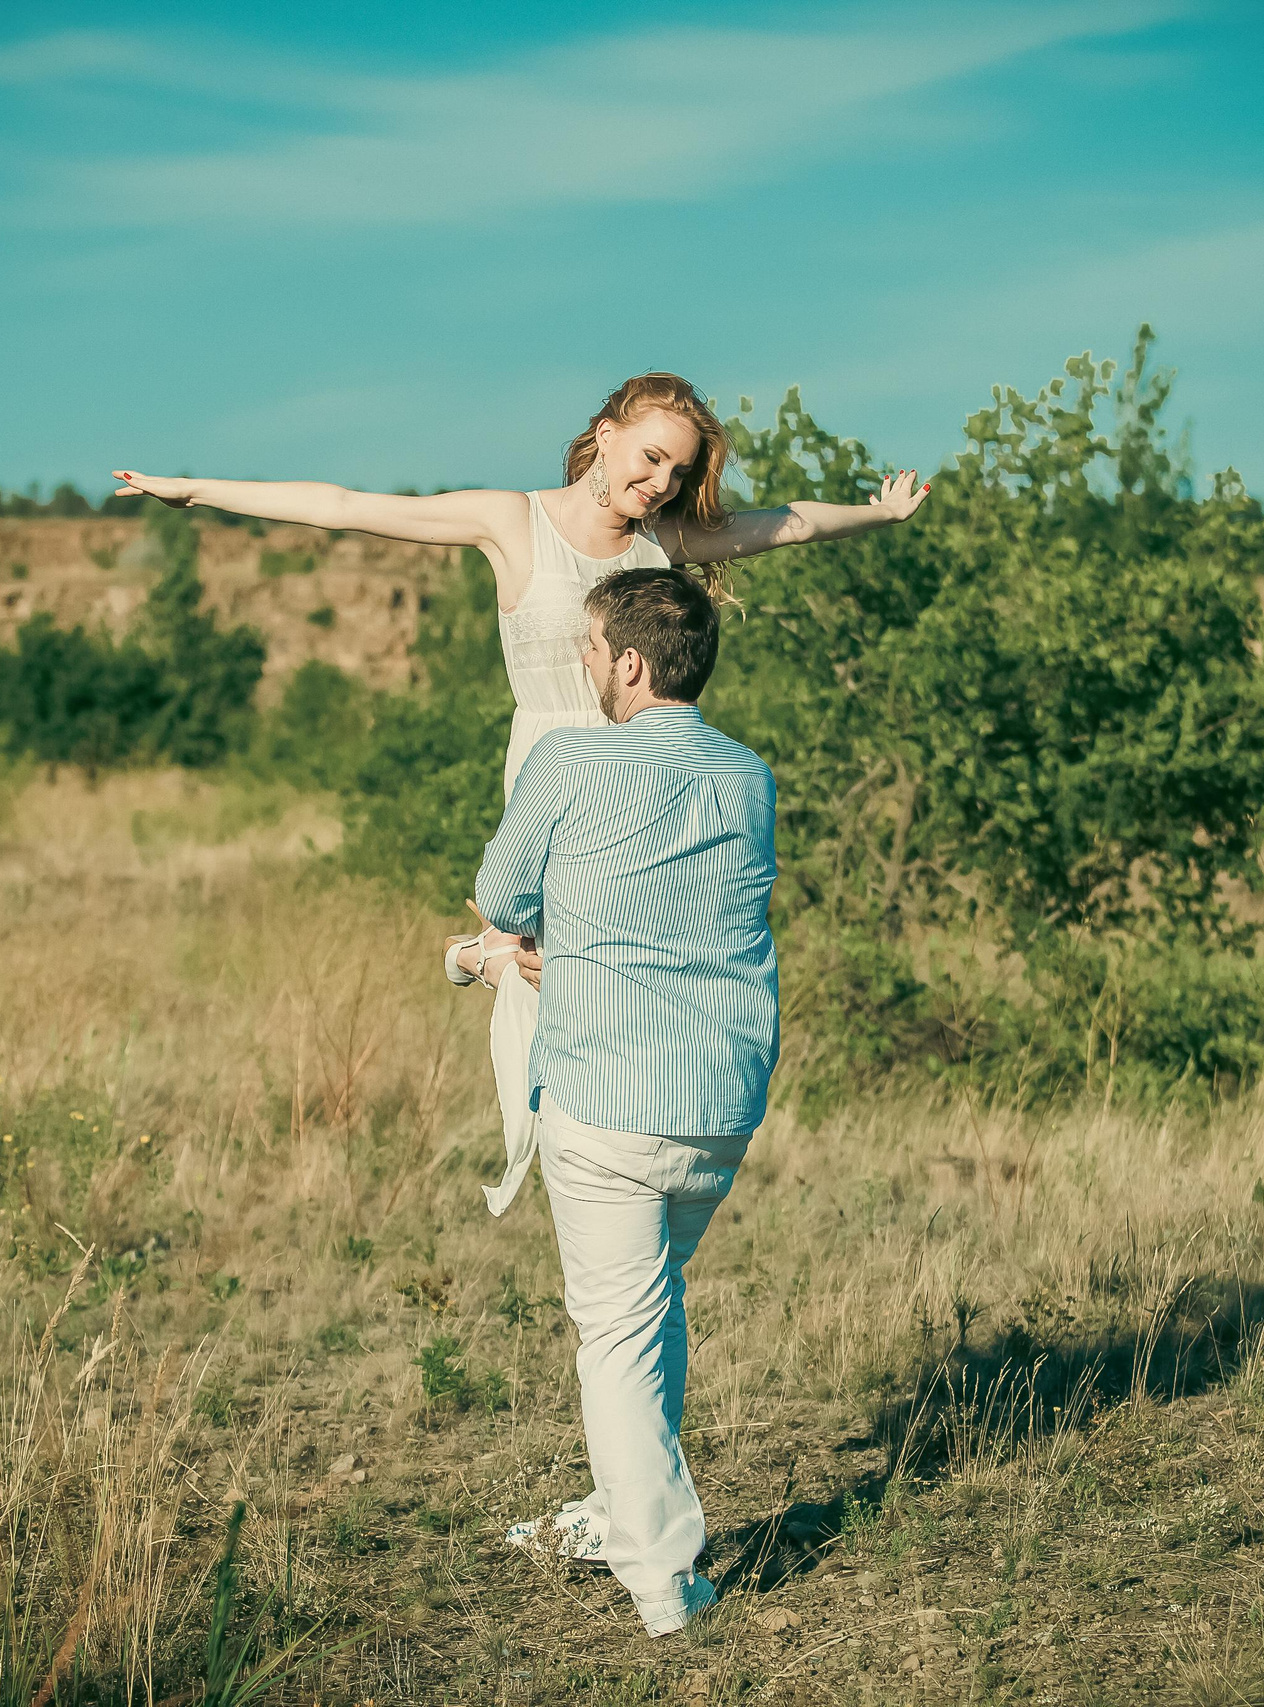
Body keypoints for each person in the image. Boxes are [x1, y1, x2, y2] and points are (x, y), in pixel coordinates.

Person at [112, 373, 928, 1209]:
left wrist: (881, 513)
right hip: (552, 770)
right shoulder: (515, 522)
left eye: (678, 473)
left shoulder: (665, 544)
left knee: (629, 973)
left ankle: (530, 1021)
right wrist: (198, 490)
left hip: (646, 776)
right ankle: (509, 997)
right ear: (606, 433)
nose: (660, 484)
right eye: (650, 458)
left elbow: (780, 527)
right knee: (554, 974)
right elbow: (349, 504)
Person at [470, 565, 775, 1637]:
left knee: (615, 1333)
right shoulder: (748, 776)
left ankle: (662, 1585)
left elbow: (499, 894)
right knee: (650, 1310)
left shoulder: (568, 758)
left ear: (629, 662)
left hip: (609, 1094)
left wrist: (550, 928)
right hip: (721, 1099)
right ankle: (622, 1508)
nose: (585, 668)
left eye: (590, 652)